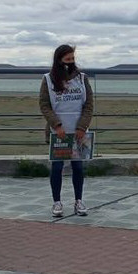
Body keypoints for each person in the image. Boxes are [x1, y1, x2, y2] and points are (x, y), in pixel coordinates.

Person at [39, 45, 94, 217]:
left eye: (72, 59)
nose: (70, 63)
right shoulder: (48, 79)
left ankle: (79, 200)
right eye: (67, 60)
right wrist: (56, 125)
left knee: (78, 167)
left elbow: (89, 104)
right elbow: (44, 104)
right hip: (59, 133)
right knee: (57, 168)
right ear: (59, 60)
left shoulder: (82, 78)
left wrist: (81, 127)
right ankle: (57, 202)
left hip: (79, 132)